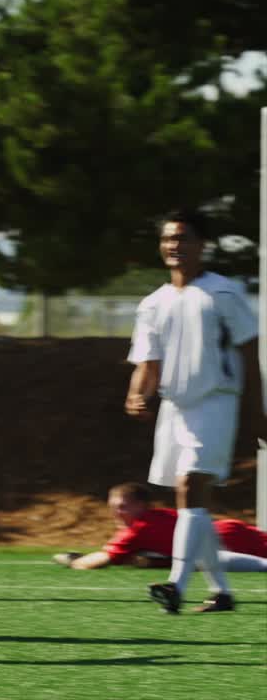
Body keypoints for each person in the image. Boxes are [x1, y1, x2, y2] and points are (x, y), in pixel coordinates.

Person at [125, 208, 263, 614]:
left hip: (216, 402)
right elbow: (147, 364)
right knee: (191, 503)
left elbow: (250, 351)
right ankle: (221, 592)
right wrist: (136, 395)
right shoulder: (153, 303)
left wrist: (257, 412)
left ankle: (175, 585)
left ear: (202, 245)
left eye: (183, 238)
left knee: (190, 487)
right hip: (175, 409)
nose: (175, 246)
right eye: (169, 238)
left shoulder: (223, 293)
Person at [52, 482, 267, 572]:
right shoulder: (157, 516)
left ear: (141, 505)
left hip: (227, 541)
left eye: (122, 507)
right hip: (228, 531)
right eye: (114, 508)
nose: (116, 513)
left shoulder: (140, 528)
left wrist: (73, 561)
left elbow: (99, 560)